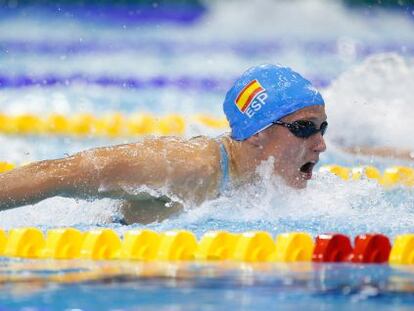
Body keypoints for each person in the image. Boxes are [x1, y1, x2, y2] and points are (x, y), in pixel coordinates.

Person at [0, 64, 327, 224]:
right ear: (257, 132)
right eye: (304, 128)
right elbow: (57, 173)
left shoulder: (260, 179)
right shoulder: (183, 165)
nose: (320, 144)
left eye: (322, 128)